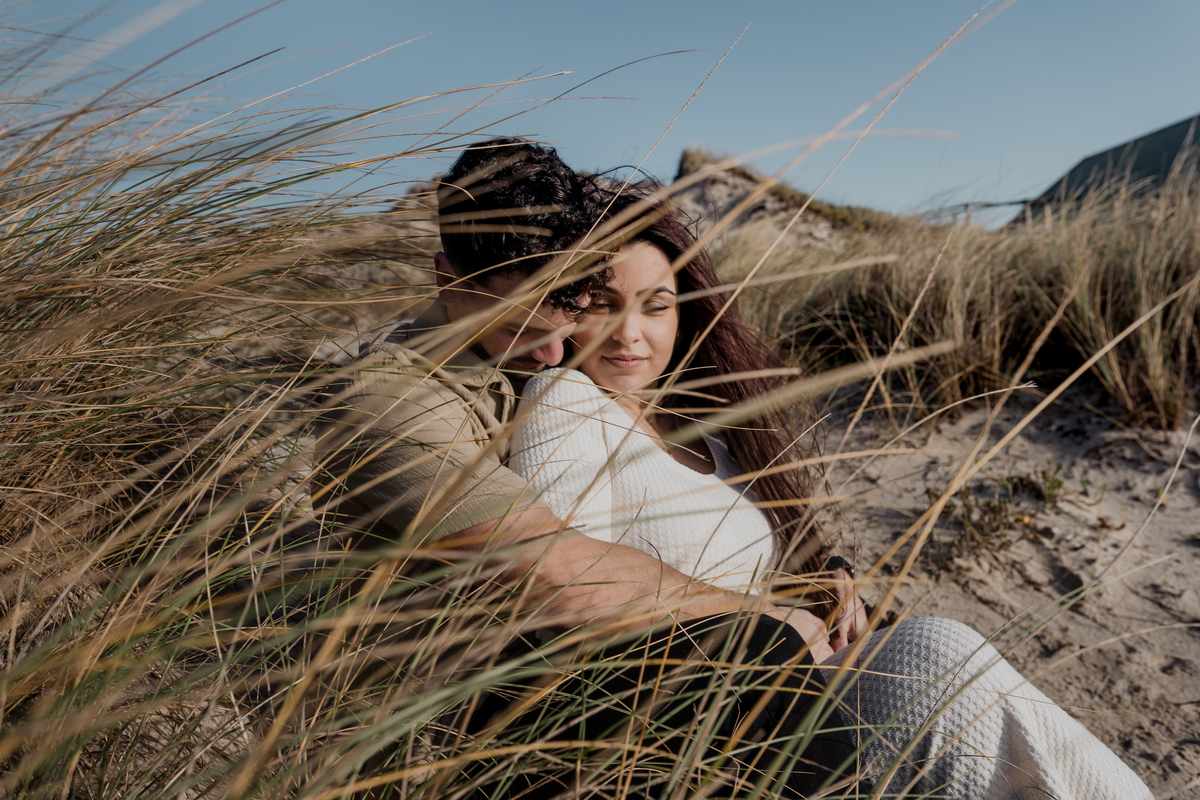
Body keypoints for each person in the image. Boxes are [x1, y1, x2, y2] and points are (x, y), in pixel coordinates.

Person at [505, 183, 1154, 798]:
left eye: (655, 306)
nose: (629, 333)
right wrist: (765, 619)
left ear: (686, 312)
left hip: (789, 686)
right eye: (602, 303)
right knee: (938, 657)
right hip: (701, 713)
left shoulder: (709, 429)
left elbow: (746, 557)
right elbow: (570, 588)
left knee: (954, 671)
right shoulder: (565, 399)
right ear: (567, 308)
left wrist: (821, 578)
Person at [317, 139, 866, 797]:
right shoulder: (392, 401)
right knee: (756, 652)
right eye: (523, 325)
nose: (555, 353)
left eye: (572, 313)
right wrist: (761, 615)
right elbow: (555, 576)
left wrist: (814, 575)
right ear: (449, 280)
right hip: (464, 731)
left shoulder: (538, 369)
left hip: (584, 689)